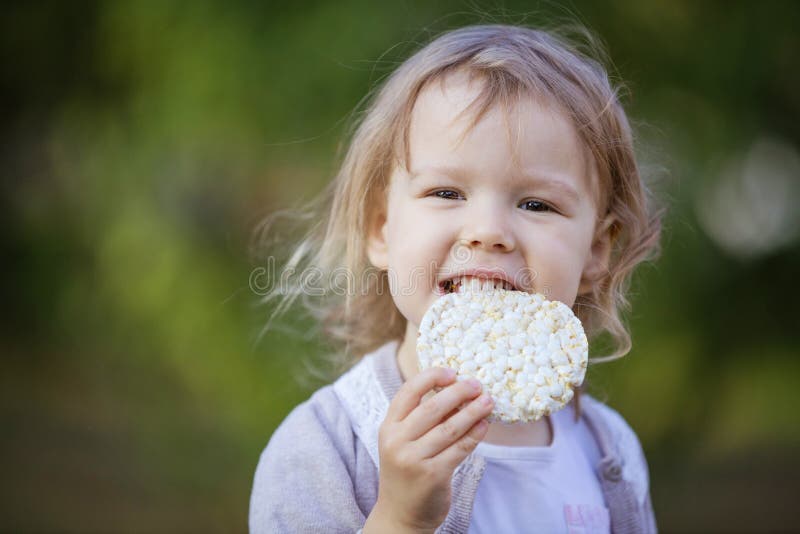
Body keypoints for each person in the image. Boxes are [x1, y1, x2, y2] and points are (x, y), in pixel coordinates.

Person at [249, 24, 662, 533]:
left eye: (536, 204)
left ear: (597, 250)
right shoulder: (323, 448)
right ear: (381, 228)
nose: (488, 232)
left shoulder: (607, 451)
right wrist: (401, 519)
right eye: (446, 193)